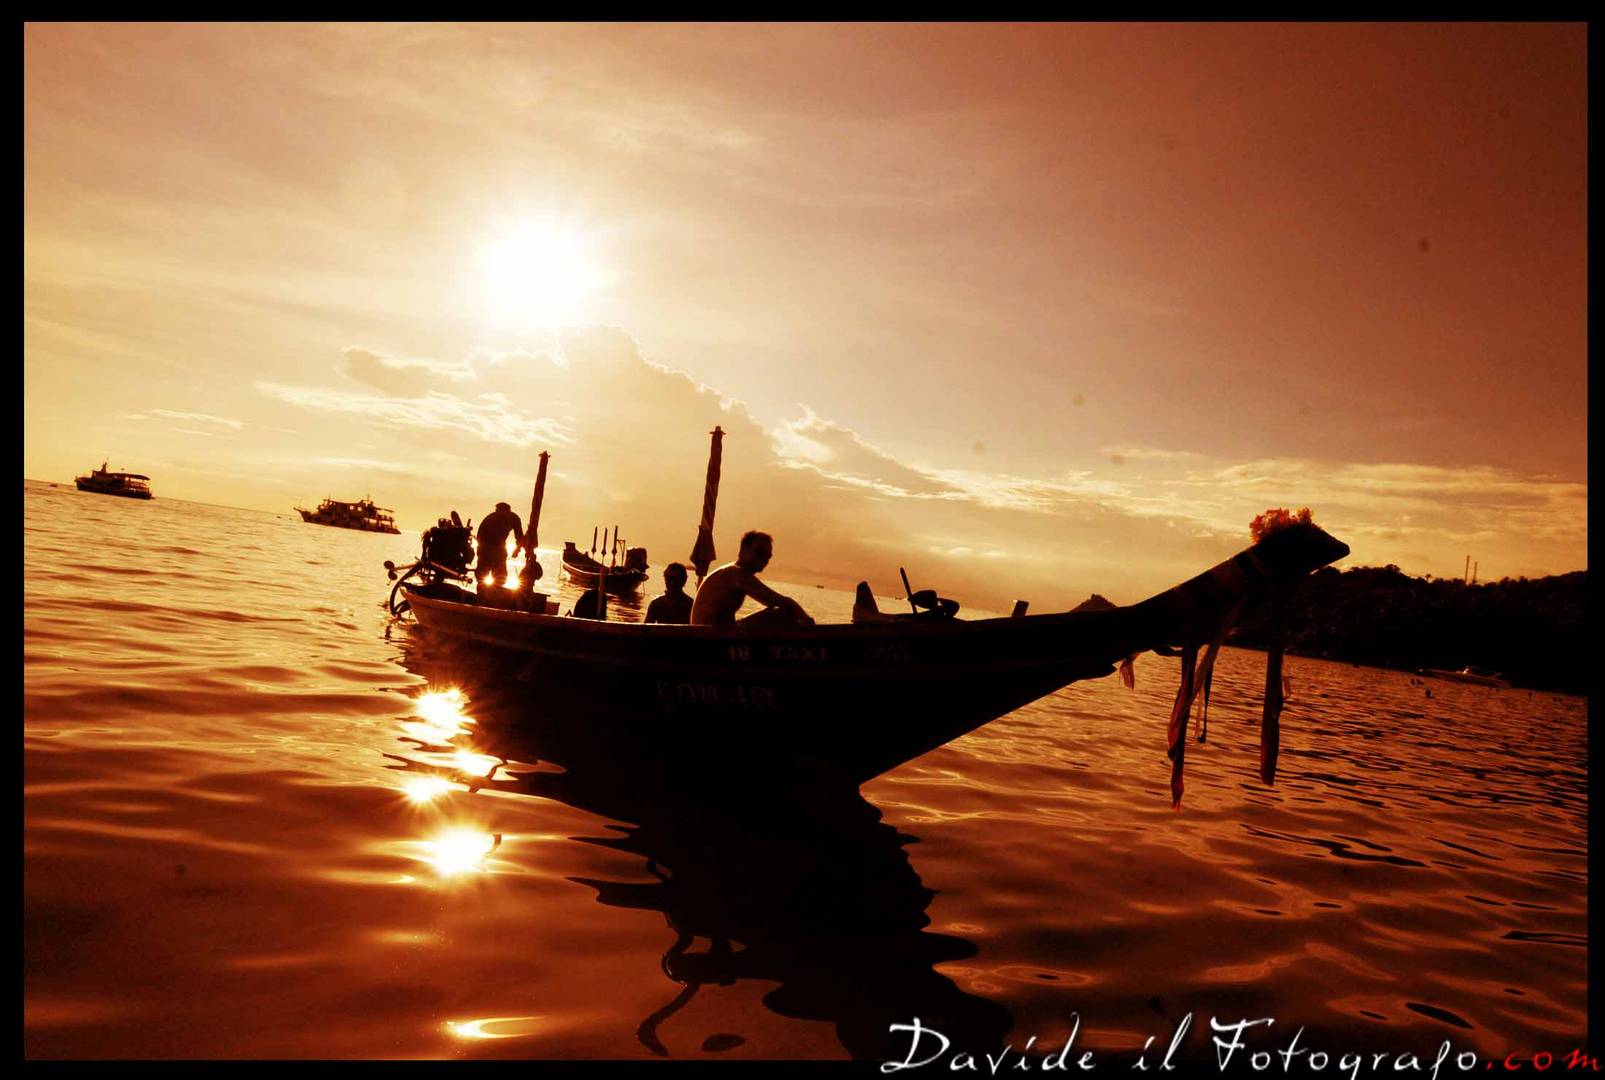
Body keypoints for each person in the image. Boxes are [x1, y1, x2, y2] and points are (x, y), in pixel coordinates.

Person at [689, 530, 813, 626]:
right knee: (780, 613)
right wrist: (809, 622)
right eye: (759, 552)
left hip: (717, 633)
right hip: (711, 637)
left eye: (767, 556)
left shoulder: (733, 572)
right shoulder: (736, 573)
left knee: (780, 613)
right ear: (743, 550)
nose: (764, 559)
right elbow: (784, 602)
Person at [475, 501, 525, 587]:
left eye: (502, 512)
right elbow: (479, 536)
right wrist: (482, 551)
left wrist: (517, 549)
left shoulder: (514, 518)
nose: (500, 515)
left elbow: (519, 537)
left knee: (500, 577)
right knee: (482, 576)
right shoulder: (491, 518)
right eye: (497, 512)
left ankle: (495, 592)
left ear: (507, 511)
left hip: (499, 548)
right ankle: (482, 593)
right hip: (486, 547)